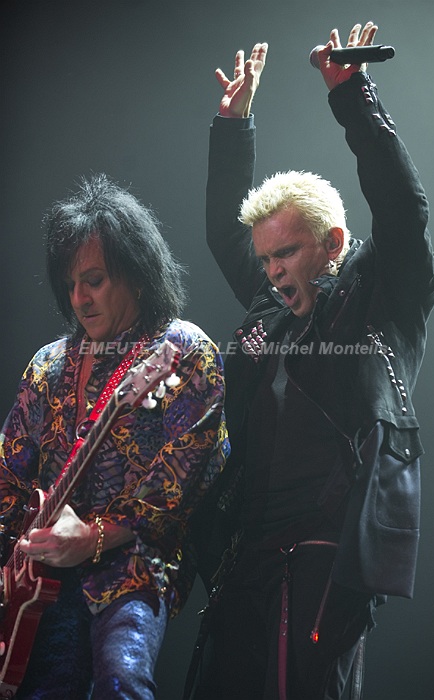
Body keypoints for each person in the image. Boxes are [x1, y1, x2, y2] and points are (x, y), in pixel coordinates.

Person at [185, 21, 434, 700]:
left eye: (286, 253)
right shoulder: (272, 311)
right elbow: (223, 236)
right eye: (265, 258)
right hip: (248, 554)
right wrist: (232, 126)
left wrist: (352, 97)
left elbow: (401, 209)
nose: (271, 271)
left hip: (327, 555)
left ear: (331, 243)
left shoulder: (380, 297)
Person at [0, 173, 229, 699]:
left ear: (137, 275)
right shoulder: (48, 364)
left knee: (120, 680)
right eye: (70, 285)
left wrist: (93, 536)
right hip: (37, 581)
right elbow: (8, 472)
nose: (79, 298)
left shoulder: (182, 351)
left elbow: (179, 482)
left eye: (95, 280)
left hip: (131, 567)